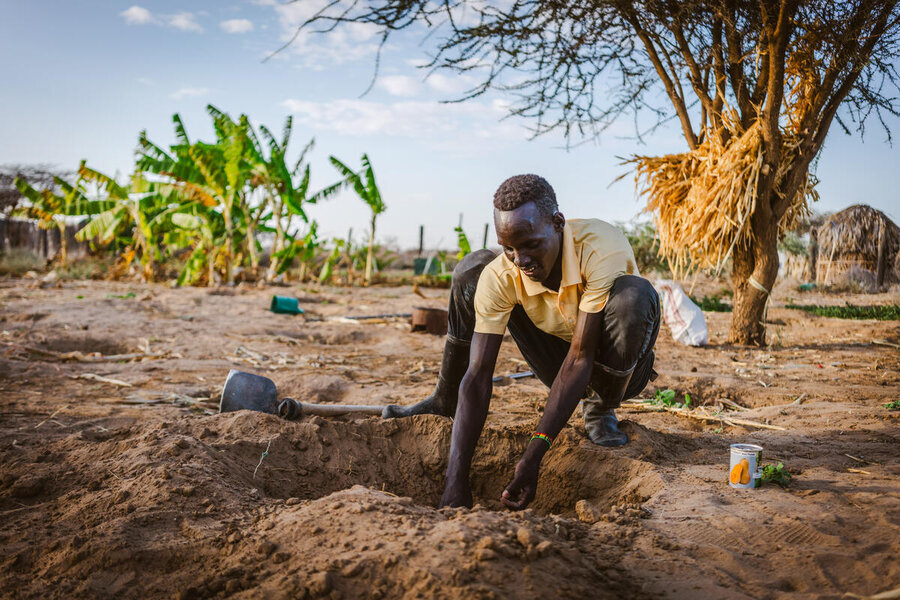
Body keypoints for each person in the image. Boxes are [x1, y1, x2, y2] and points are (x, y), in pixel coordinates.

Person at [382, 174, 660, 510]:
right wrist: (455, 482)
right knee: (473, 271)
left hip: (616, 367)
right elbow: (478, 373)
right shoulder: (505, 273)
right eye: (509, 247)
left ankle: (600, 408)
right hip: (557, 359)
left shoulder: (601, 247)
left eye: (530, 244)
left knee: (634, 295)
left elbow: (580, 358)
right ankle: (444, 398)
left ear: (558, 223)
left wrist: (532, 458)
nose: (520, 259)